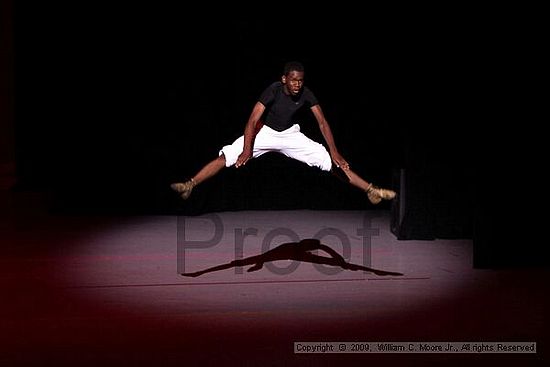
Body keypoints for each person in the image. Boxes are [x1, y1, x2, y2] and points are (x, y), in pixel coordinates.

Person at [171, 61, 395, 205]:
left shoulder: (307, 93)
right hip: (264, 132)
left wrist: (334, 152)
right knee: (227, 156)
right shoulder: (273, 90)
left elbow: (323, 123)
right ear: (284, 79)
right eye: (294, 80)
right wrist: (247, 150)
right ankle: (190, 184)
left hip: (290, 135)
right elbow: (252, 120)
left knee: (330, 163)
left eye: (301, 80)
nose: (298, 84)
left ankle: (371, 190)